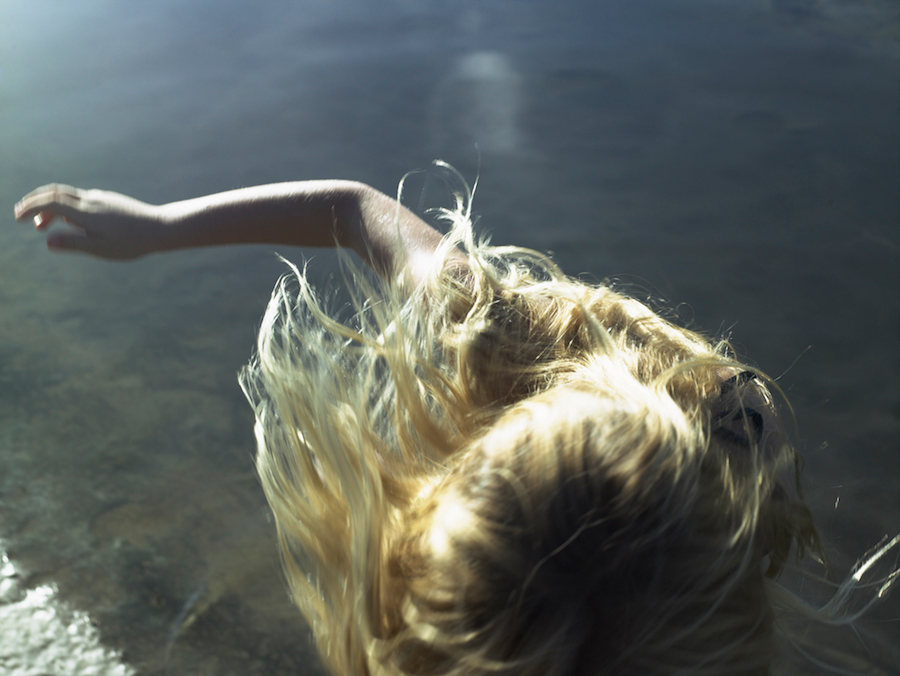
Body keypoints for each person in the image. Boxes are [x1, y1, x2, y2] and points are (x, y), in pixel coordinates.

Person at [13, 166, 898, 675]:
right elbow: (354, 210)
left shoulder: (513, 340)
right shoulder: (731, 440)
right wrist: (159, 225)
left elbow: (356, 212)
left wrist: (163, 227)